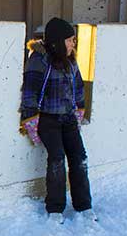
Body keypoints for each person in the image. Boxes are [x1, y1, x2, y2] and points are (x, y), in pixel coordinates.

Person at [19, 17, 95, 223]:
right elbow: (29, 92)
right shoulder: (40, 60)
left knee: (79, 158)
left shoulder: (70, 59)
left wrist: (79, 111)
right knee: (57, 159)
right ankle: (55, 208)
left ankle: (84, 205)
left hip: (69, 118)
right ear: (57, 41)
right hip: (48, 120)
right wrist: (30, 120)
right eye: (70, 40)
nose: (73, 44)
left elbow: (78, 86)